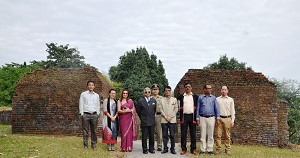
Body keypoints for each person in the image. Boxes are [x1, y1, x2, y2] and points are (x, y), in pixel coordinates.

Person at [196, 84, 220, 155]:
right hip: (202, 117)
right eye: (208, 88)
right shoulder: (200, 98)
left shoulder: (213, 98)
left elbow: (216, 108)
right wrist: (197, 118)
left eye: (210, 88)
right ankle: (202, 150)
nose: (210, 89)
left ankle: (210, 149)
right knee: (203, 134)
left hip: (211, 118)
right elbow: (197, 108)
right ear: (204, 89)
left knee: (211, 134)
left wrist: (217, 118)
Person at [177, 83, 198, 155]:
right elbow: (178, 107)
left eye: (189, 87)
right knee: (183, 134)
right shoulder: (181, 97)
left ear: (191, 88)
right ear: (184, 88)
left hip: (192, 117)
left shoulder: (195, 97)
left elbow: (197, 108)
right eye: (186, 87)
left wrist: (197, 118)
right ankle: (184, 149)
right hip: (184, 117)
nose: (187, 88)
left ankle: (193, 149)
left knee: (193, 134)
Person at [79, 80, 101, 150]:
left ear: (94, 86)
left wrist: (97, 113)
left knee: (94, 130)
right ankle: (86, 145)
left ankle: (93, 144)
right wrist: (82, 114)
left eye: (92, 85)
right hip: (86, 115)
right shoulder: (83, 94)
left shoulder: (97, 95)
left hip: (94, 115)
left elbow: (98, 105)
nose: (91, 86)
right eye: (89, 85)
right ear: (87, 86)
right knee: (85, 131)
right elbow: (81, 104)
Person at [215, 86, 235, 155]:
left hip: (228, 118)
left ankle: (227, 149)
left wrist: (232, 120)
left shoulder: (230, 100)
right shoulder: (217, 99)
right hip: (219, 119)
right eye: (222, 89)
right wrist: (216, 118)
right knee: (218, 135)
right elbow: (215, 110)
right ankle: (218, 149)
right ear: (220, 90)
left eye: (225, 90)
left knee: (227, 135)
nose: (223, 91)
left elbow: (233, 111)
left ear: (227, 91)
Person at [136, 87, 157, 154]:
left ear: (150, 93)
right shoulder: (140, 101)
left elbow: (154, 110)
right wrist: (142, 118)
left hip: (152, 121)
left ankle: (151, 148)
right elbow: (138, 111)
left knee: (152, 136)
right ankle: (145, 149)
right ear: (143, 93)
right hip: (144, 121)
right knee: (144, 136)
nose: (147, 93)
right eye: (146, 92)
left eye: (149, 92)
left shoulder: (153, 100)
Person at [160, 86, 178, 154]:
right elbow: (160, 109)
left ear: (170, 91)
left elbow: (176, 109)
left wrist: (170, 116)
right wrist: (165, 116)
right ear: (164, 91)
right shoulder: (162, 99)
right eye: (166, 90)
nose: (167, 92)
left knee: (172, 135)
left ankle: (172, 149)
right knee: (164, 135)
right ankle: (165, 148)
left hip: (172, 120)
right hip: (164, 119)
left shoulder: (174, 99)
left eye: (169, 90)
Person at [151, 84, 163, 151]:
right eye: (154, 89)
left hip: (159, 115)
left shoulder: (161, 98)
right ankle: (151, 146)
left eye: (156, 89)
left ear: (158, 90)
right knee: (151, 131)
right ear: (152, 91)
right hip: (151, 116)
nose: (155, 91)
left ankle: (159, 146)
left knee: (159, 131)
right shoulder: (149, 98)